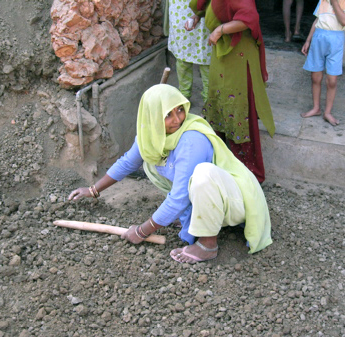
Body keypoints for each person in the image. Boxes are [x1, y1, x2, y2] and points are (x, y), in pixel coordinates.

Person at [68, 84, 272, 264]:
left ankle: (208, 244)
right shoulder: (151, 134)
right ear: (152, 117)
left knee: (202, 175)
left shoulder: (191, 139)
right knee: (151, 159)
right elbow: (128, 162)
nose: (177, 120)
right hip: (212, 199)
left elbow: (179, 196)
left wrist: (141, 231)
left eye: (180, 110)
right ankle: (193, 216)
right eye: (167, 115)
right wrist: (93, 189)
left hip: (236, 202)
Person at [186, 0, 275, 184]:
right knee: (219, 105)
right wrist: (197, 17)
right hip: (223, 55)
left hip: (239, 56)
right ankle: (223, 166)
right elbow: (210, 7)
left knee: (238, 110)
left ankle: (248, 175)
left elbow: (249, 18)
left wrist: (220, 30)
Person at [301, 0, 345, 126]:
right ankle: (316, 108)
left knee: (332, 80)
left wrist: (334, 2)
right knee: (315, 77)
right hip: (318, 37)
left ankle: (328, 112)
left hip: (336, 39)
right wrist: (308, 41)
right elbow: (317, 20)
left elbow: (344, 21)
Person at [163, 0, 212, 102]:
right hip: (180, 11)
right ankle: (184, 98)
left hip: (203, 10)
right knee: (182, 59)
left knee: (207, 62)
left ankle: (209, 103)